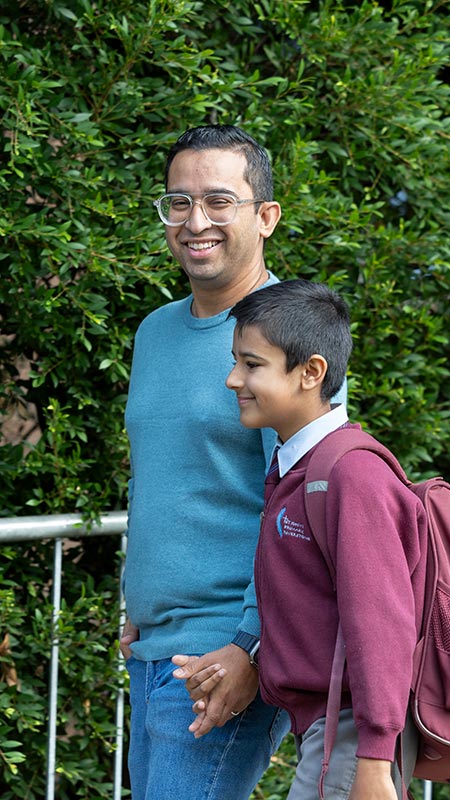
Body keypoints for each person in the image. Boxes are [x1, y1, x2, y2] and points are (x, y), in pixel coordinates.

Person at [121, 124, 346, 799]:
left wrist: (250, 648)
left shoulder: (287, 340)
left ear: (266, 216)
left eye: (219, 201)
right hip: (153, 650)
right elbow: (165, 478)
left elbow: (305, 503)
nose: (196, 222)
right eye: (179, 202)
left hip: (221, 653)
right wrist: (141, 597)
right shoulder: (155, 331)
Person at [185, 278, 425, 799]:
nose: (233, 379)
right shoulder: (295, 467)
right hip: (325, 730)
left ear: (310, 372)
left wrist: (374, 761)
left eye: (251, 364)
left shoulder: (351, 475)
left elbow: (381, 624)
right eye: (235, 361)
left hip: (351, 735)